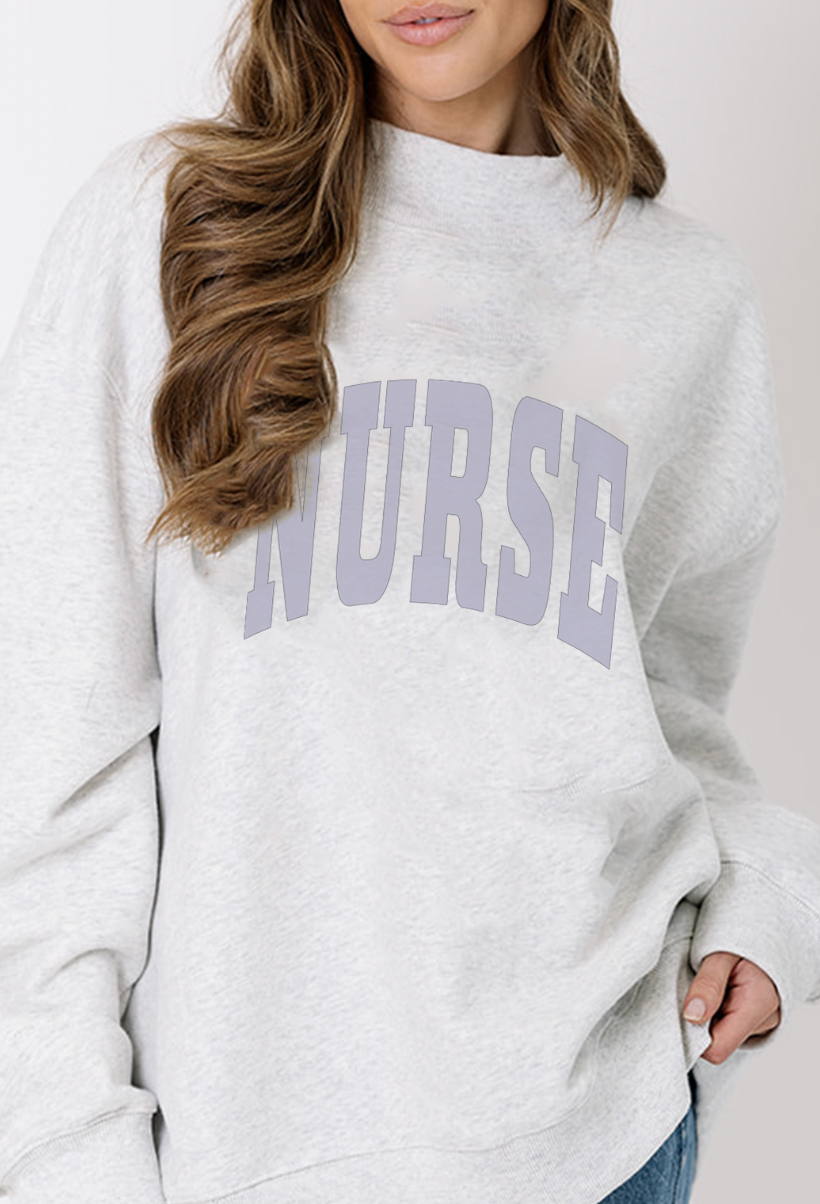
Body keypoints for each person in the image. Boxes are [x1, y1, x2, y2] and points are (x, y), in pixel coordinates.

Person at [1, 2, 819, 1203]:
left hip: (600, 1139)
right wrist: (64, 1151)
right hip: (248, 1152)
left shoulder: (680, 292)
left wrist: (768, 899)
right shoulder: (175, 223)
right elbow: (47, 739)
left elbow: (665, 698)